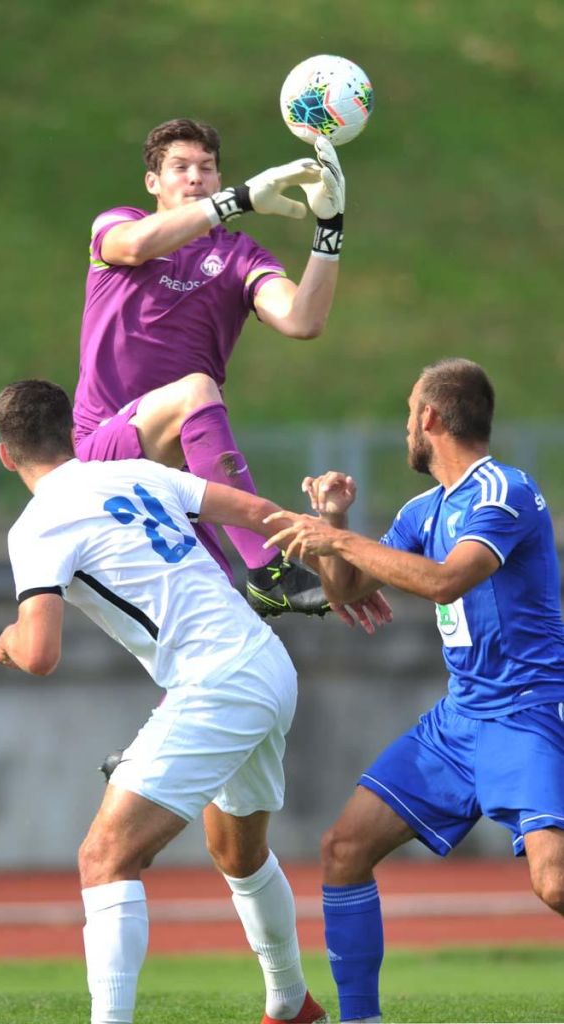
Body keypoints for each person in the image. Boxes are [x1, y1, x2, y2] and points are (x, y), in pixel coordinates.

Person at [0, 378, 341, 1024]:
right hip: (264, 663)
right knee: (238, 853)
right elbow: (256, 514)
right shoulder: (135, 471)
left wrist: (10, 640)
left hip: (219, 685)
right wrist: (336, 550)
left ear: (6, 456)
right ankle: (292, 1004)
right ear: (73, 432)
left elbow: (39, 654)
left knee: (104, 857)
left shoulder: (35, 527)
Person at [263, 358, 564, 1023]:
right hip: (459, 719)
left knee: (553, 883)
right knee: (343, 850)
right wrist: (333, 523)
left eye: (407, 415)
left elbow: (441, 582)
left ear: (430, 418)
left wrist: (337, 537)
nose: (405, 428)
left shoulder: (502, 491)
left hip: (526, 711)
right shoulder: (425, 508)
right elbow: (347, 591)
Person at [73, 116, 347, 617]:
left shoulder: (240, 255)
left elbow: (302, 319)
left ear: (219, 177)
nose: (195, 177)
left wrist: (329, 228)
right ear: (153, 183)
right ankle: (267, 570)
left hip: (183, 473)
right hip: (104, 451)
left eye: (206, 168)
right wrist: (234, 202)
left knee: (219, 619)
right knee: (195, 389)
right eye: (180, 167)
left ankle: (250, 598)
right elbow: (134, 246)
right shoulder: (119, 224)